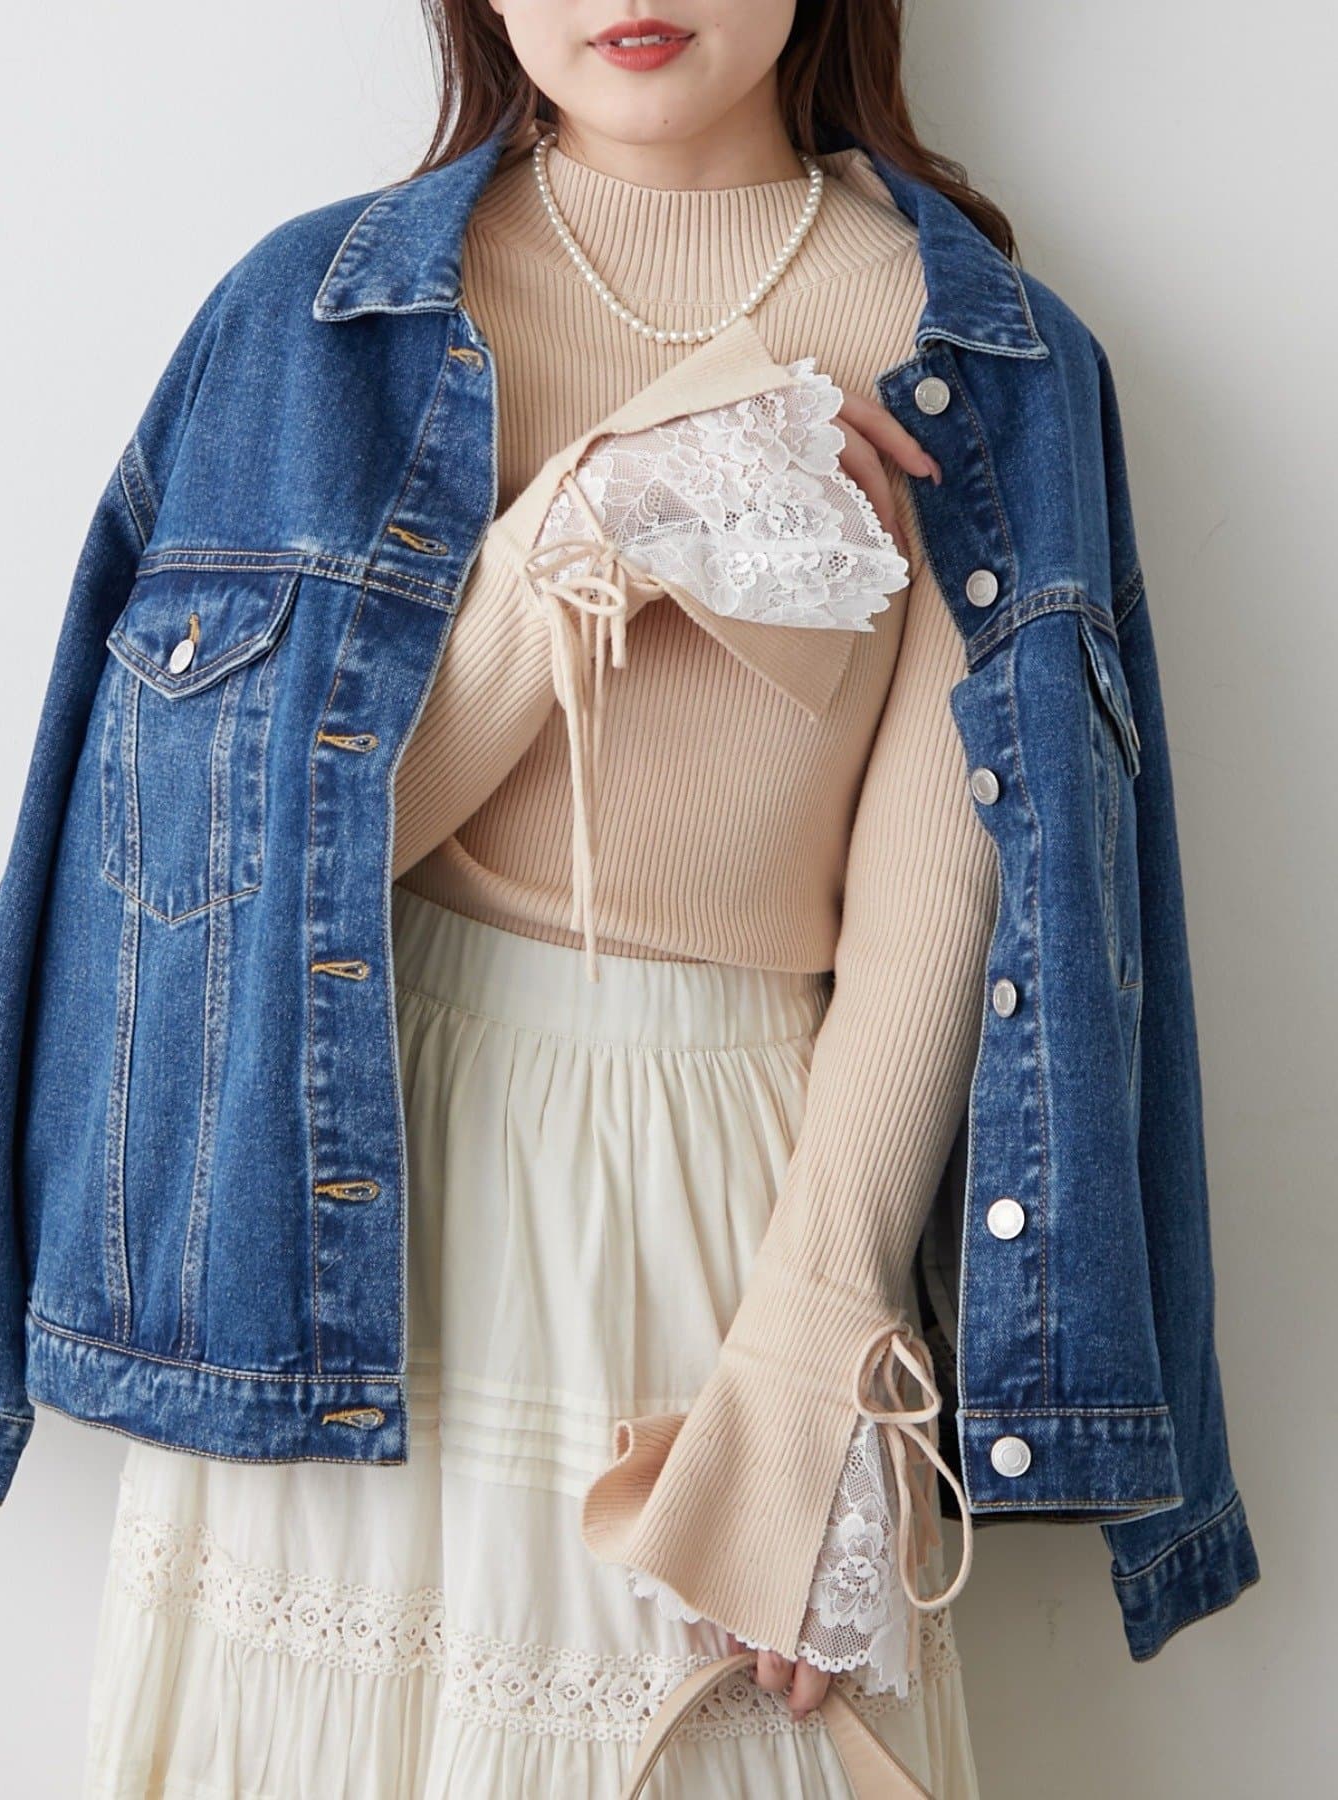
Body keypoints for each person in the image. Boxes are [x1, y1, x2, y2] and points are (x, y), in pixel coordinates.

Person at [81, 4, 993, 1793]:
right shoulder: (320, 321)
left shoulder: (971, 351)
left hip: (744, 1181)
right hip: (345, 1180)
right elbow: (269, 881)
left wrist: (823, 1341)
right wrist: (591, 520)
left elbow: (940, 899)